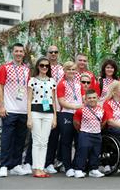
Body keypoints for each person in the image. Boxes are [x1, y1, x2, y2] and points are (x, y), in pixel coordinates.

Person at [0, 43, 30, 177]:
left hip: (23, 110)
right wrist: (2, 106)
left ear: (24, 53)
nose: (18, 53)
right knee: (7, 138)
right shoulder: (5, 67)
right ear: (13, 52)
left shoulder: (27, 69)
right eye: (16, 51)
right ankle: (4, 165)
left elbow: (29, 90)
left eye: (21, 51)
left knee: (20, 139)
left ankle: (16, 165)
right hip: (9, 109)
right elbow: (0, 87)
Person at [27, 57, 57, 178]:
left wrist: (55, 117)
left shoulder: (52, 81)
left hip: (48, 113)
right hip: (35, 112)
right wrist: (29, 117)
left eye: (46, 66)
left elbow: (53, 101)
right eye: (42, 65)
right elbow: (29, 100)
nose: (44, 67)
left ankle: (41, 167)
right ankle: (36, 168)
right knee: (37, 141)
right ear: (38, 66)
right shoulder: (32, 80)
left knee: (44, 142)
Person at [56, 61, 85, 177]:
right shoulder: (61, 84)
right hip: (66, 114)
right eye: (69, 69)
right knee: (66, 141)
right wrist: (76, 106)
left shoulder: (78, 84)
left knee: (79, 141)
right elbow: (61, 101)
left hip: (78, 115)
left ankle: (76, 166)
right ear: (64, 71)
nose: (72, 72)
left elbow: (83, 98)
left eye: (73, 69)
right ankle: (67, 167)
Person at [73, 89, 106, 178]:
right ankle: (78, 169)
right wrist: (81, 131)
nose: (92, 99)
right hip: (85, 133)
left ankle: (93, 169)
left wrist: (98, 129)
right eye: (89, 98)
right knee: (83, 151)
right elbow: (76, 122)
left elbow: (103, 122)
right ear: (86, 100)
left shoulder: (102, 110)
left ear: (97, 98)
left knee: (96, 152)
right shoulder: (81, 110)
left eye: (94, 97)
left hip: (97, 134)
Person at [44, 45, 64, 174]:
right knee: (44, 136)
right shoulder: (44, 67)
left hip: (61, 106)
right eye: (51, 52)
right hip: (46, 105)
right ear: (47, 53)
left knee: (57, 137)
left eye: (55, 52)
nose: (53, 54)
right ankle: (38, 162)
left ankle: (54, 162)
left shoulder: (62, 68)